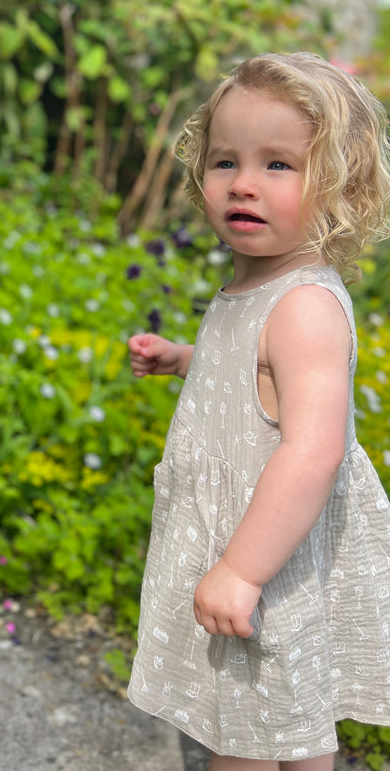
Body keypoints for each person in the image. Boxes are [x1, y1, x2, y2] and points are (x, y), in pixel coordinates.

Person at [126, 53, 390, 771]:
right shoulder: (258, 286)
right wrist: (187, 358)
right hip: (251, 538)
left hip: (270, 548)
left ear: (344, 187)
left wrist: (242, 571)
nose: (243, 183)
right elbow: (253, 374)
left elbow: (313, 451)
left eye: (279, 165)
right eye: (225, 162)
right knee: (285, 718)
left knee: (243, 732)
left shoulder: (304, 307)